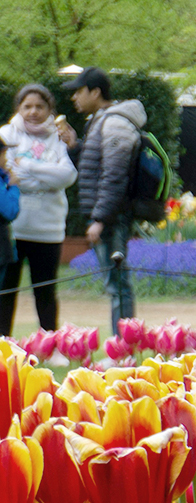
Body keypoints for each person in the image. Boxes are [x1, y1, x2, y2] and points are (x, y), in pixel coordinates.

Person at [66, 67, 145, 335]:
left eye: (78, 91)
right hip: (108, 215)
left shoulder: (115, 123)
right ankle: (122, 344)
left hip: (113, 217)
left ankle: (123, 346)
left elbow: (114, 176)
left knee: (117, 283)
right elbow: (96, 171)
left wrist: (99, 219)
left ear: (95, 92)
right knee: (115, 282)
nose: (74, 97)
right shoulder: (101, 120)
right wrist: (76, 148)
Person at [0, 85, 76, 335]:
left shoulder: (59, 137)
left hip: (48, 228)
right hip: (13, 228)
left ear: (49, 109)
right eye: (27, 106)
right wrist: (46, 177)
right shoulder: (6, 134)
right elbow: (7, 172)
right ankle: (3, 345)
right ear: (18, 108)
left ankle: (50, 344)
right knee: (6, 290)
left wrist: (27, 166)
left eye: (40, 107)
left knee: (45, 290)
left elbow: (67, 175)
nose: (33, 112)